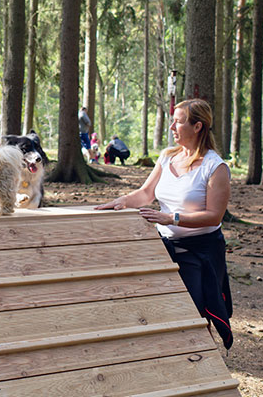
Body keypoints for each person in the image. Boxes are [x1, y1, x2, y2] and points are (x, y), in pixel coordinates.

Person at [95, 99, 233, 349]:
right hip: (162, 248)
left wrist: (172, 218)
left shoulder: (215, 167)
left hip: (201, 252)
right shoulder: (167, 157)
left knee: (196, 314)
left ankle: (203, 360)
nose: (171, 127)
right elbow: (146, 194)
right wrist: (121, 201)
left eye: (178, 122)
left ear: (197, 127)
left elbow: (214, 216)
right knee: (160, 309)